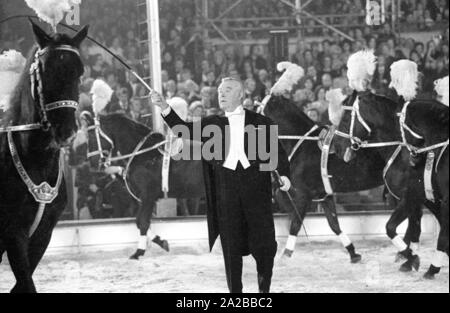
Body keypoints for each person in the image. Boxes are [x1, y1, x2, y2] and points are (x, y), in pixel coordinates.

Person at [151, 77, 291, 293]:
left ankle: (264, 293)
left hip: (255, 188)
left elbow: (278, 154)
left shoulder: (261, 122)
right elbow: (183, 129)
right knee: (231, 247)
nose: (221, 94)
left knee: (264, 245)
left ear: (240, 95)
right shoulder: (212, 123)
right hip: (225, 190)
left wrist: (285, 176)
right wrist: (163, 106)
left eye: (227, 90)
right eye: (219, 91)